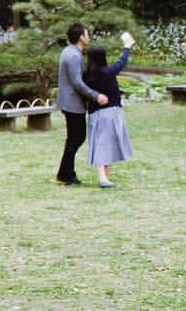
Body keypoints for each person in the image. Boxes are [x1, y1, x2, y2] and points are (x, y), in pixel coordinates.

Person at [56, 23, 109, 185]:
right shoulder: (74, 56)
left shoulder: (69, 51)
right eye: (86, 34)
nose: (88, 37)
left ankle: (65, 173)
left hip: (69, 101)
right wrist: (96, 95)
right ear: (81, 37)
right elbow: (77, 82)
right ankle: (66, 174)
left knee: (74, 138)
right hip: (72, 102)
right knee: (76, 138)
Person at [83, 32, 135, 188]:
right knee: (109, 144)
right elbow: (122, 61)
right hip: (110, 113)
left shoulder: (86, 76)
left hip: (94, 114)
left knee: (101, 144)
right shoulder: (108, 72)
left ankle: (104, 177)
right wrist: (127, 46)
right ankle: (103, 177)